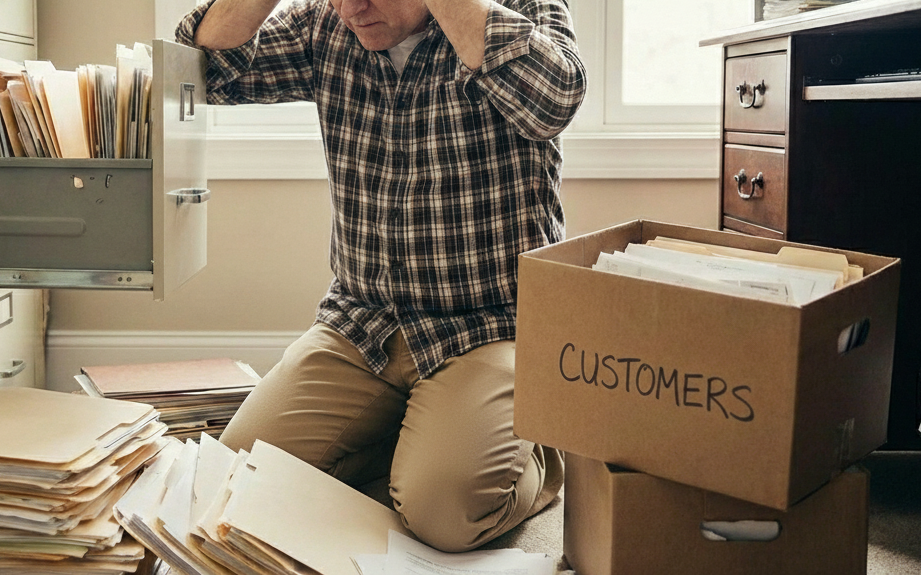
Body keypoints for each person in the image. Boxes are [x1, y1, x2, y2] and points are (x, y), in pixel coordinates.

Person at [176, 0, 586, 552]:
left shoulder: (520, 7)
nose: (351, 9)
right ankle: (419, 438)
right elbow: (202, 70)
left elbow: (554, 102)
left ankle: (537, 451)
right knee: (240, 479)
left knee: (444, 515)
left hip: (489, 326)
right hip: (361, 324)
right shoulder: (324, 23)